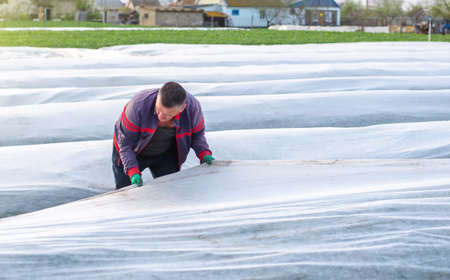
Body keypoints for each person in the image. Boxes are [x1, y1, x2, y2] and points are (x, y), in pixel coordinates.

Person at [112, 81, 214, 189]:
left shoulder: (192, 109)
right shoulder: (137, 106)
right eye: (158, 109)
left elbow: (197, 135)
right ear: (157, 99)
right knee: (125, 191)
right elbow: (126, 144)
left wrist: (204, 153)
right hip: (131, 151)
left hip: (166, 154)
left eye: (167, 114)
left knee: (170, 189)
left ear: (182, 109)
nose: (161, 116)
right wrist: (132, 170)